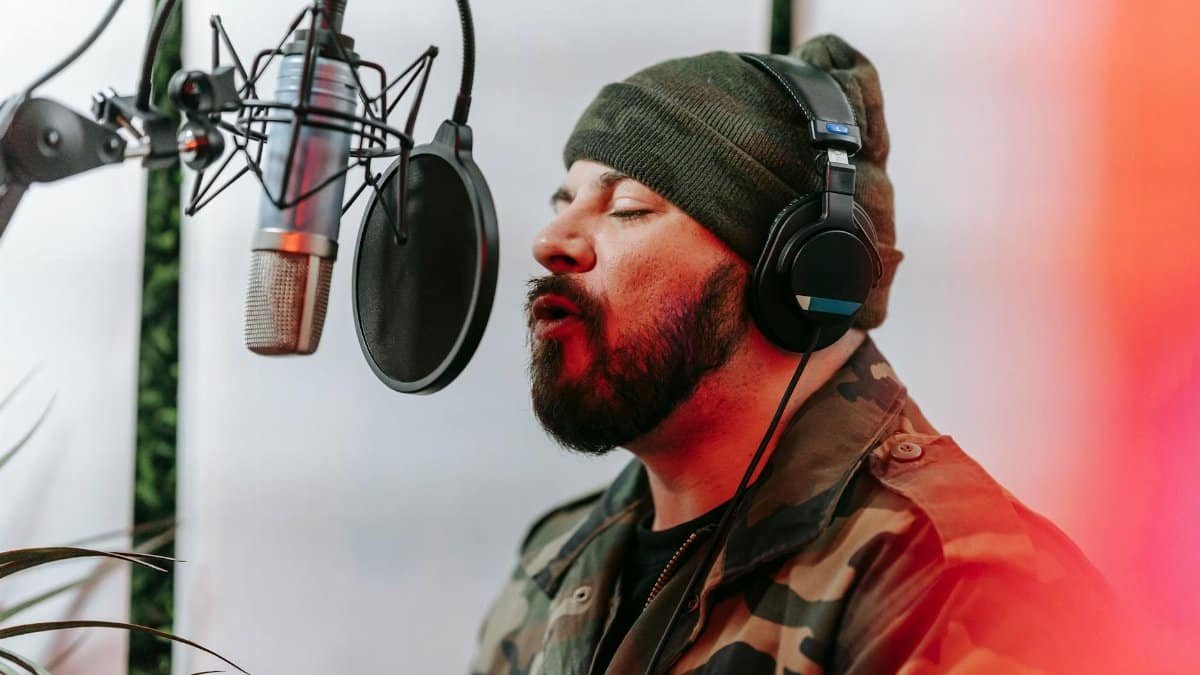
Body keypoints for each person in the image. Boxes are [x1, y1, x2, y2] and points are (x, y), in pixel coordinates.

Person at [470, 34, 1117, 675]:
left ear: (803, 276)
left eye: (630, 208)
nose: (551, 240)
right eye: (564, 203)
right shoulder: (556, 566)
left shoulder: (953, 583)